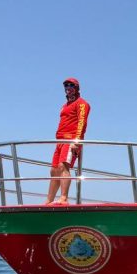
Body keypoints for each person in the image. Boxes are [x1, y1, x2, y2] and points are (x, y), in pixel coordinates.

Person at [46, 77, 91, 205]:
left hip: (71, 139)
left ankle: (64, 198)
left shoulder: (82, 104)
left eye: (71, 85)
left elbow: (82, 122)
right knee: (54, 170)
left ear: (76, 88)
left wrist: (77, 140)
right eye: (66, 85)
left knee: (63, 166)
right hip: (60, 140)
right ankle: (49, 200)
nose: (68, 88)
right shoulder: (64, 106)